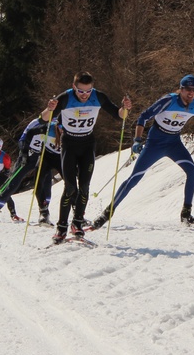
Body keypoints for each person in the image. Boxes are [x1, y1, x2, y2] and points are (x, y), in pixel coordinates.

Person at [91, 74, 194, 230]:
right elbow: (143, 117)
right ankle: (107, 213)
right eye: (188, 89)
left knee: (192, 170)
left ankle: (186, 214)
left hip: (174, 143)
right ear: (181, 89)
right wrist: (137, 140)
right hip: (155, 143)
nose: (191, 93)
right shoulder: (168, 101)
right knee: (134, 178)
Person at [45, 72, 131, 243]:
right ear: (74, 87)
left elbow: (119, 115)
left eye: (88, 91)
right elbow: (45, 119)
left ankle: (77, 223)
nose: (84, 95)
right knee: (70, 188)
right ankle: (61, 227)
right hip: (69, 144)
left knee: (84, 187)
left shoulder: (98, 97)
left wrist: (125, 108)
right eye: (80, 91)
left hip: (87, 144)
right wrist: (49, 109)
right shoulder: (65, 98)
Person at [0, 113, 59, 228]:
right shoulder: (35, 123)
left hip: (43, 158)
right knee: (13, 183)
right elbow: (22, 140)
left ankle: (44, 214)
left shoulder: (58, 127)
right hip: (28, 157)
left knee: (46, 184)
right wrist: (24, 153)